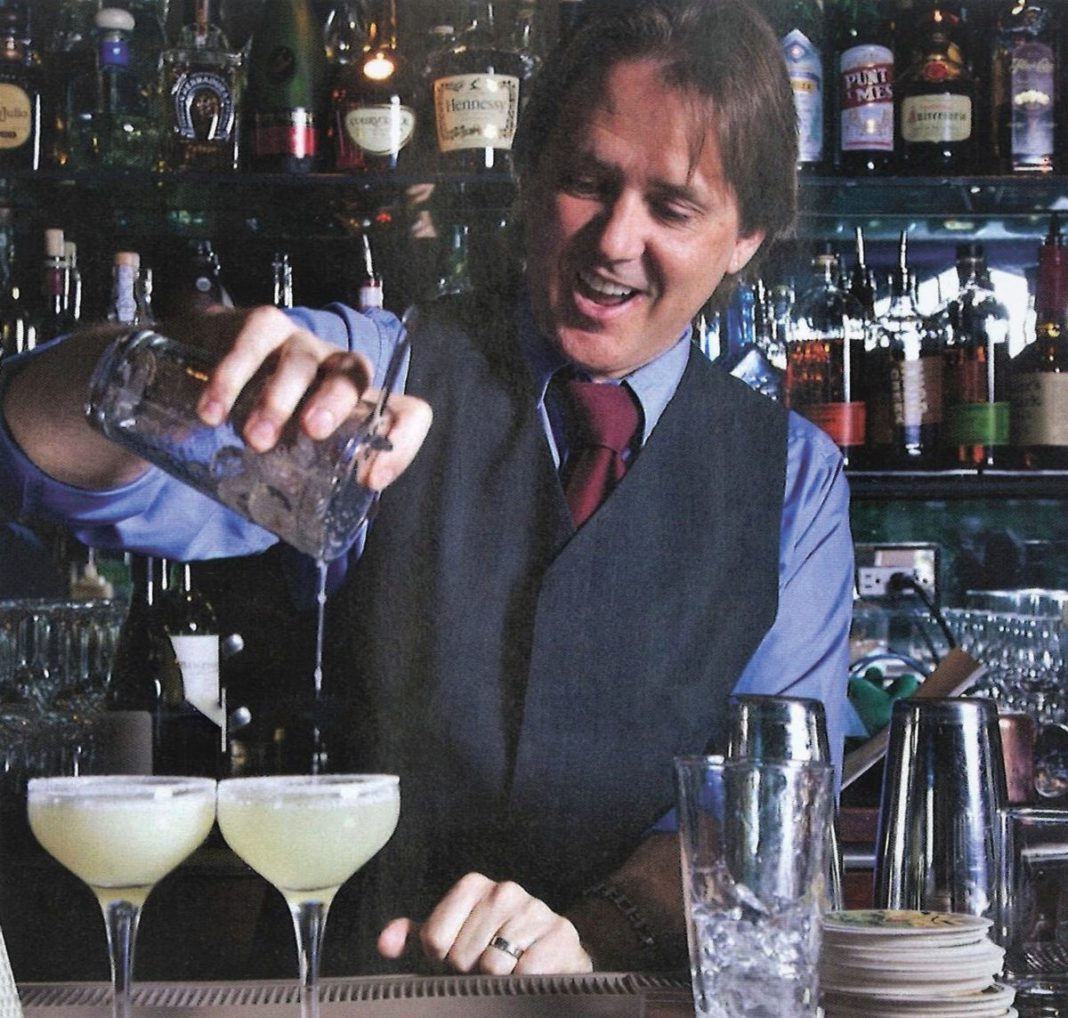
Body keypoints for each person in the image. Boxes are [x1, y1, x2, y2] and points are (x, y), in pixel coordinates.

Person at [0, 0, 854, 978]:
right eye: (586, 181)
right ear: (531, 175)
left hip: (631, 1001)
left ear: (748, 235)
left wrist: (591, 933)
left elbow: (767, 813)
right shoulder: (383, 374)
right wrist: (170, 369)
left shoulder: (791, 480)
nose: (615, 241)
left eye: (672, 207)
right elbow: (36, 459)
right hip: (364, 988)